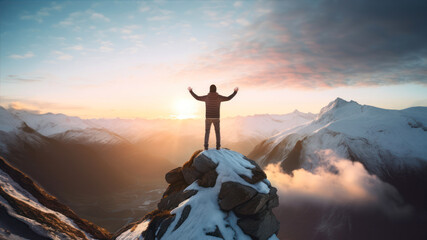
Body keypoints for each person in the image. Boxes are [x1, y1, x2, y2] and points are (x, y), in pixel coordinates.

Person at [188, 84, 238, 150]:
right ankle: (218, 146)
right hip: (216, 117)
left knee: (207, 132)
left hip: (208, 117)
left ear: (210, 90)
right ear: (216, 90)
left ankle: (206, 146)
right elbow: (228, 98)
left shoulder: (206, 97)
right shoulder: (219, 97)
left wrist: (191, 91)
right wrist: (235, 92)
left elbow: (197, 97)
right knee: (217, 132)